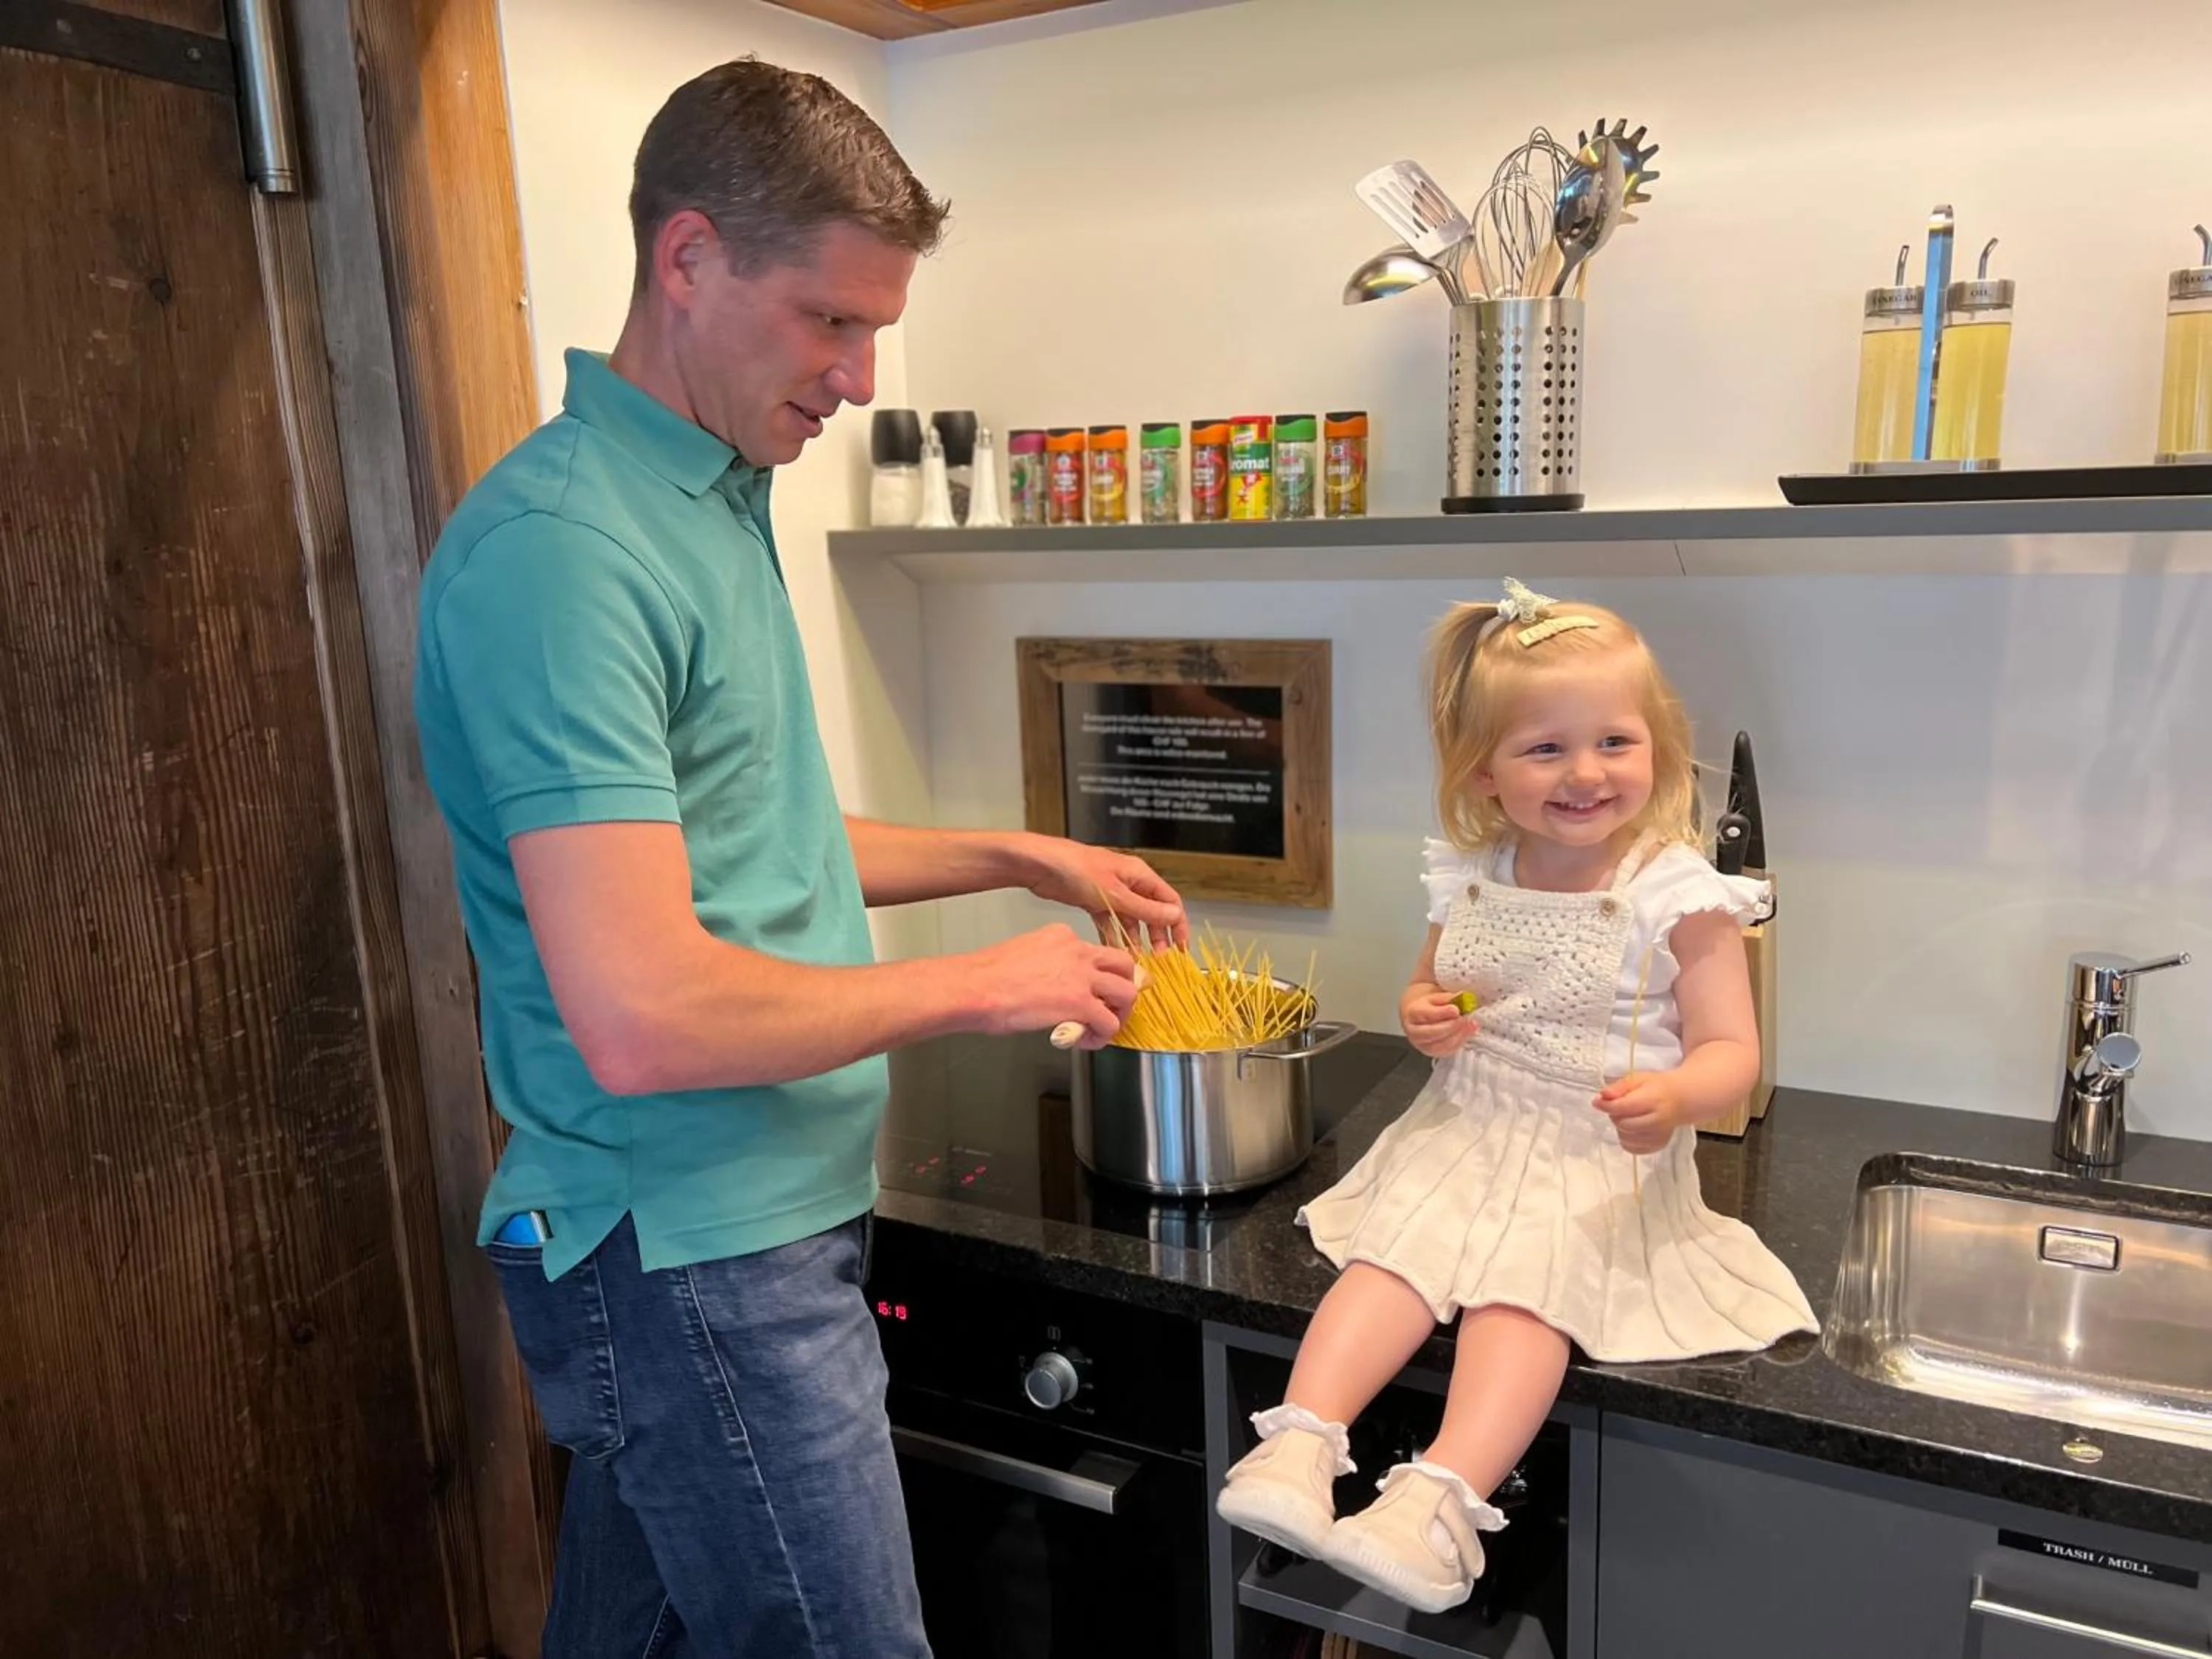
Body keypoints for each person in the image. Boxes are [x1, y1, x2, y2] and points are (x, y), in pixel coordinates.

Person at [411, 58, 1186, 1659]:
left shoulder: (709, 494)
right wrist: (983, 987)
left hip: (743, 1232)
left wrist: (1013, 853)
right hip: (694, 1251)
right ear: (689, 258)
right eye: (830, 319)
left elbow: (743, 843)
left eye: (875, 327)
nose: (858, 373)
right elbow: (643, 1012)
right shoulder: (567, 554)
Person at [1214, 578, 1815, 1614]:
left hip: (1598, 1151)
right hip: (1468, 1123)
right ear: (1485, 772)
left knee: (1528, 1288)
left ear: (1659, 747)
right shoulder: (1475, 869)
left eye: (1614, 741)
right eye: (1546, 749)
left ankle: (1435, 1502)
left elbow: (1732, 1051)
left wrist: (1676, 1094)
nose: (1585, 772)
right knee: (1395, 1252)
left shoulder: (1677, 890)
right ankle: (1299, 1446)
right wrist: (1425, 1016)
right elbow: (1433, 987)